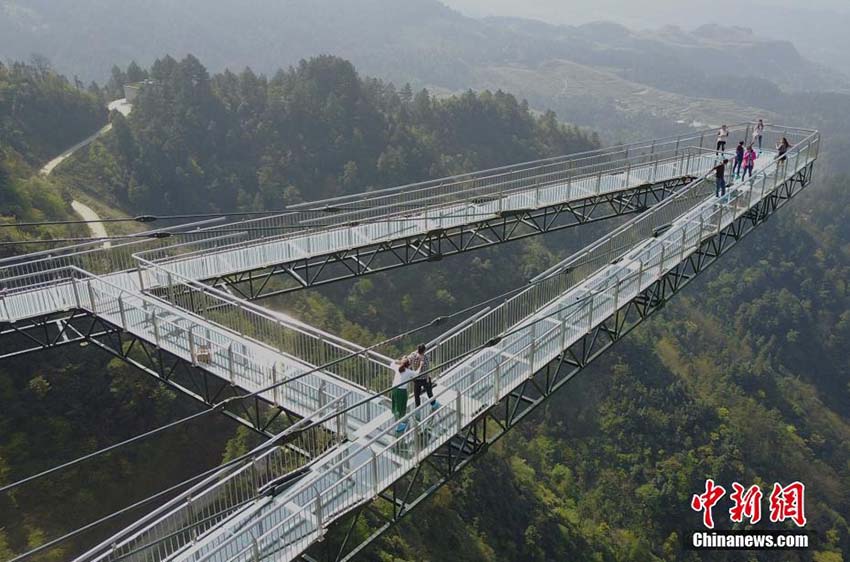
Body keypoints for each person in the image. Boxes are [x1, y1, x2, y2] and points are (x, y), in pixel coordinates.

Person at [408, 343, 439, 410]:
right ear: (424, 351)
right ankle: (433, 404)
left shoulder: (414, 357)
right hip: (425, 379)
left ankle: (418, 408)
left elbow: (411, 355)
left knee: (417, 395)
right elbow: (427, 368)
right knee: (429, 393)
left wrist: (416, 352)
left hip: (416, 379)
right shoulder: (426, 358)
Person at [390, 357, 415, 433]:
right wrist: (420, 365)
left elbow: (391, 363)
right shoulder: (409, 372)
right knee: (402, 407)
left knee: (395, 405)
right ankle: (399, 425)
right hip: (401, 391)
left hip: (394, 389)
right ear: (409, 365)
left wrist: (398, 361)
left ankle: (396, 420)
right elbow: (417, 373)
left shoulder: (398, 367)